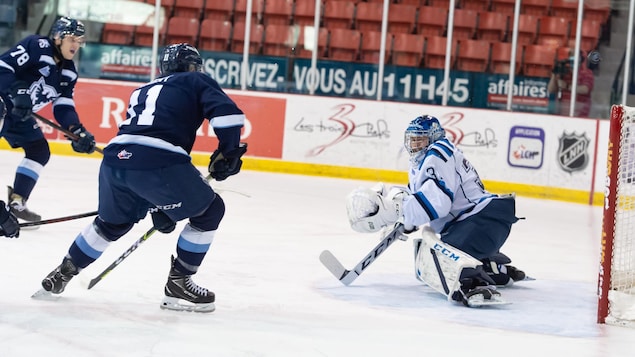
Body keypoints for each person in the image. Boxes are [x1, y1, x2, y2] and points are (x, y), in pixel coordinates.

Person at [36, 43, 247, 313]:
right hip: (159, 161)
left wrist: (160, 204)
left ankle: (62, 273)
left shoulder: (143, 89)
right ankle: (179, 281)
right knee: (210, 210)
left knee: (111, 224)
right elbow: (228, 116)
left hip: (115, 161)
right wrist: (229, 153)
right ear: (193, 66)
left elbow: (143, 144)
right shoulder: (196, 80)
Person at [346, 115, 525, 307]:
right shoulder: (422, 162)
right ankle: (490, 266)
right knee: (435, 252)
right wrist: (406, 220)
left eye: (420, 139)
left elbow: (438, 203)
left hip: (483, 221)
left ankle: (473, 282)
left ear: (433, 138)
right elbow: (423, 199)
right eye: (412, 139)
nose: (415, 144)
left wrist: (397, 210)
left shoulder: (437, 154)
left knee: (443, 258)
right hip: (480, 222)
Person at [0, 16, 97, 224]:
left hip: (20, 115)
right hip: (2, 104)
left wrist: (76, 130)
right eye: (72, 38)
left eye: (79, 41)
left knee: (39, 150)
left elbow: (63, 105)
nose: (76, 45)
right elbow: (3, 67)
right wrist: (19, 91)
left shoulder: (69, 72)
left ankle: (17, 201)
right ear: (58, 37)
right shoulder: (36, 46)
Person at [547, 49, 595, 118]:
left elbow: (585, 89)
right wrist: (554, 74)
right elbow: (551, 90)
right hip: (562, 113)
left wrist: (567, 86)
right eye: (572, 57)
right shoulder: (564, 72)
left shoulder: (587, 73)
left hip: (580, 113)